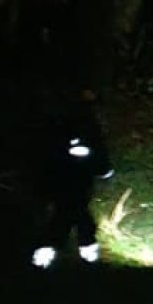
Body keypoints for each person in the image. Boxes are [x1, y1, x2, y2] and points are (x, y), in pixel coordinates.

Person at [32, 87, 114, 269]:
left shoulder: (58, 119)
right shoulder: (83, 122)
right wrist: (104, 170)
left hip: (65, 174)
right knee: (73, 211)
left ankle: (50, 253)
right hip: (74, 175)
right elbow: (96, 145)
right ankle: (84, 252)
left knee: (68, 211)